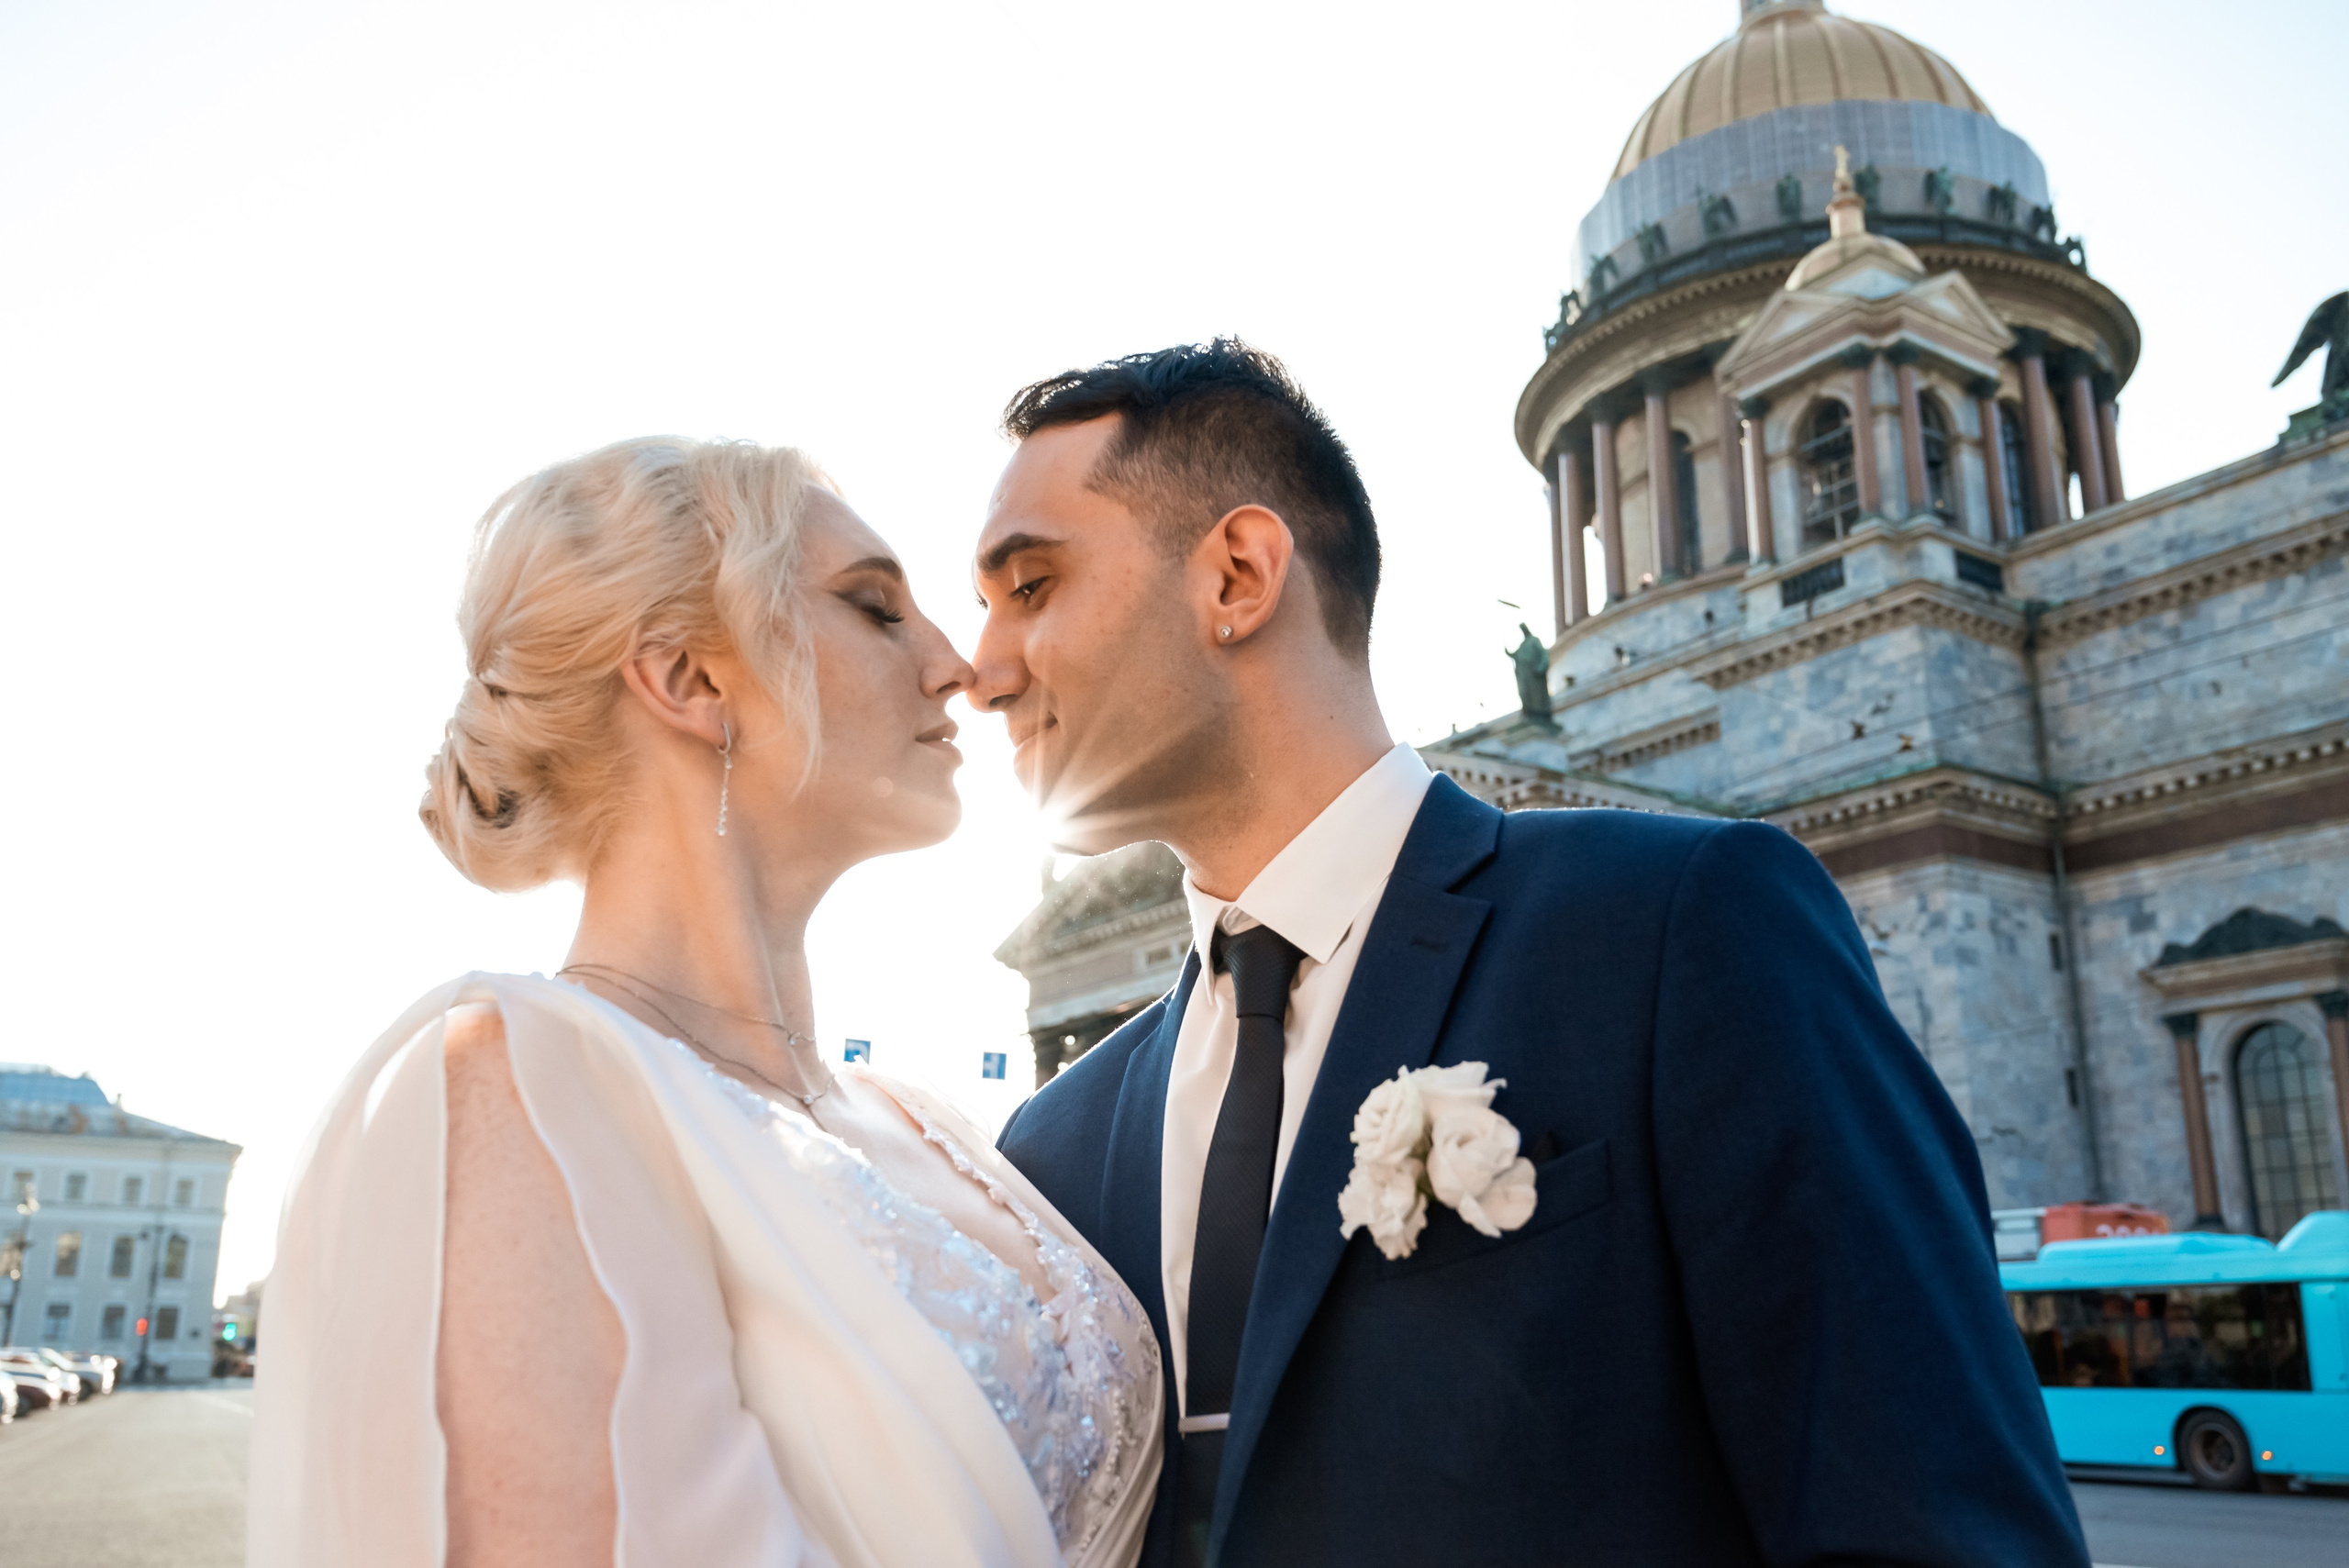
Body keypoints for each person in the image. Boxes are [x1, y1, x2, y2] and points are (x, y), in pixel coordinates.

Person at [972, 340, 2089, 1568]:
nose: (981, 671)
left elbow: (1934, 1522)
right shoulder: (1052, 1146)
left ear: (1237, 574)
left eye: (1030, 585)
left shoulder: (1678, 932)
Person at [249, 439, 1161, 1568]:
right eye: (876, 608)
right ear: (688, 679)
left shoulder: (929, 1122)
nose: (958, 667)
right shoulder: (519, 1091)